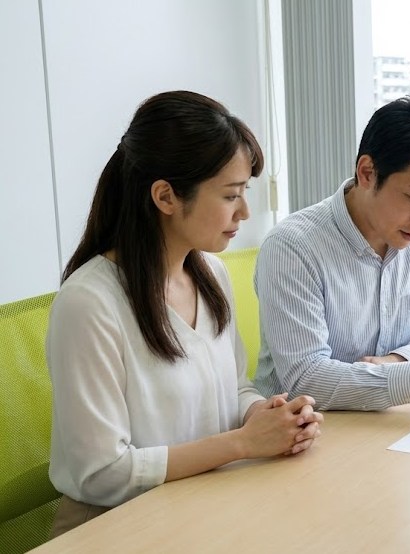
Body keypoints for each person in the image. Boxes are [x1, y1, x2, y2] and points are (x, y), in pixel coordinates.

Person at [47, 91, 323, 537]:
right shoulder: (89, 304)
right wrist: (242, 443)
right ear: (166, 196)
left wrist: (265, 416)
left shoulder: (211, 274)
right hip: (116, 528)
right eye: (231, 195)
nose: (244, 212)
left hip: (203, 507)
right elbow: (100, 473)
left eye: (245, 192)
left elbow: (234, 388)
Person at [254, 94, 410, 419]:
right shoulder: (292, 247)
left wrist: (401, 361)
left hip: (379, 424)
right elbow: (307, 378)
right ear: (367, 172)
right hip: (302, 429)